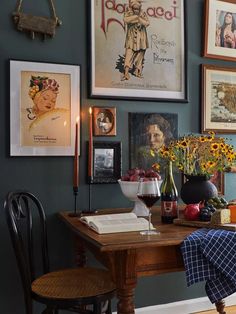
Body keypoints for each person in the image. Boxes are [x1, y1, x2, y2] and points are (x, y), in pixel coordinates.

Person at [23, 75, 70, 146]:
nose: (49, 103)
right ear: (36, 98)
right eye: (45, 98)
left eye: (53, 101)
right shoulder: (25, 116)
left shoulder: (58, 116)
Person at [122, 0, 149, 80]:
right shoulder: (128, 13)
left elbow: (147, 23)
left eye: (138, 9)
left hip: (142, 39)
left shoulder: (143, 13)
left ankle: (137, 71)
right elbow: (126, 20)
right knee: (129, 54)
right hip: (131, 38)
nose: (136, 10)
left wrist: (139, 19)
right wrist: (136, 18)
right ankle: (126, 73)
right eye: (135, 9)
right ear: (132, 8)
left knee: (141, 54)